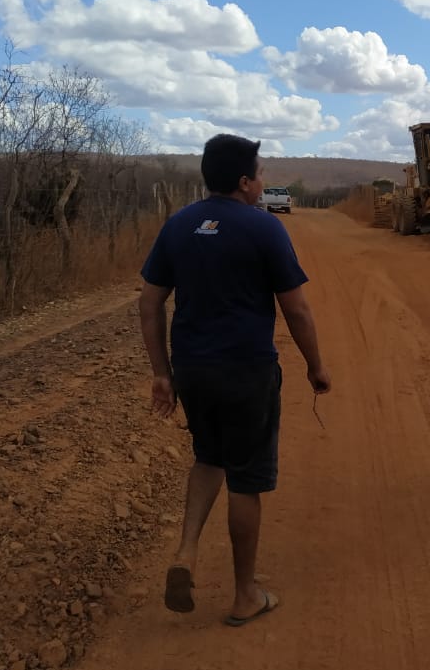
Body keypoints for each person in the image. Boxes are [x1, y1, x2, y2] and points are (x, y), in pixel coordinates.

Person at [139, 133, 330, 625]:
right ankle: (245, 595)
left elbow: (150, 302)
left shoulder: (178, 225)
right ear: (245, 182)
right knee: (245, 478)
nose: (263, 182)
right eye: (260, 174)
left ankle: (186, 551)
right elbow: (297, 310)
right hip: (247, 370)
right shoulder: (264, 228)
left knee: (209, 457)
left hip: (192, 369)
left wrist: (161, 373)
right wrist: (315, 366)